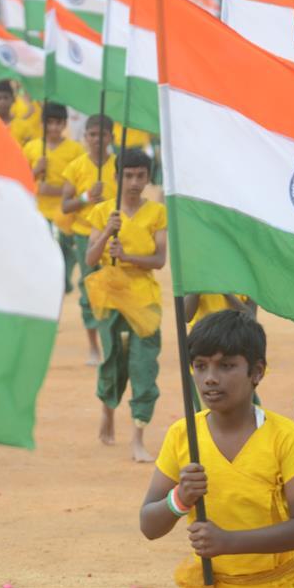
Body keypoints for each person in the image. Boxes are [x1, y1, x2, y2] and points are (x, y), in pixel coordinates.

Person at [141, 310, 294, 588]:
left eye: (226, 366)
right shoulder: (183, 435)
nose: (210, 378)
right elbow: (149, 525)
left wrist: (228, 542)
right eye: (200, 366)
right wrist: (179, 498)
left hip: (283, 582)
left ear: (257, 371)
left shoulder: (285, 437)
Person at [85, 149, 166, 462]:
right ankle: (108, 409)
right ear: (117, 177)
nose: (134, 182)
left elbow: (159, 260)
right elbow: (91, 259)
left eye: (140, 176)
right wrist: (107, 232)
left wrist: (130, 256)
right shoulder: (104, 211)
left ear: (147, 178)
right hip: (111, 295)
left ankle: (138, 437)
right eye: (128, 175)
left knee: (144, 365)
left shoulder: (157, 212)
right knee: (113, 360)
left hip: (144, 298)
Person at [62, 114, 117, 366]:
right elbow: (65, 205)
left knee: (112, 289)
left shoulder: (119, 167)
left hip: (115, 235)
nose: (97, 139)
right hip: (86, 235)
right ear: (85, 137)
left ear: (111, 137)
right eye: (92, 134)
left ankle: (112, 342)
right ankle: (93, 345)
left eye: (102, 134)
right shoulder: (76, 167)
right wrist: (85, 198)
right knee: (88, 290)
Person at [22, 102, 84, 294]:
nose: (54, 128)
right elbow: (21, 180)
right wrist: (35, 171)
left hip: (64, 215)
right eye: (50, 123)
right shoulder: (32, 148)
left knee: (64, 258)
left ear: (65, 124)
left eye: (58, 123)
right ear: (43, 124)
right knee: (45, 261)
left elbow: (79, 183)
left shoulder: (75, 150)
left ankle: (61, 282)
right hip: (39, 213)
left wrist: (54, 191)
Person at [0, 80, 33, 147]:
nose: (2, 102)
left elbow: (27, 150)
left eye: (6, 98)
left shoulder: (23, 125)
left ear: (13, 99)